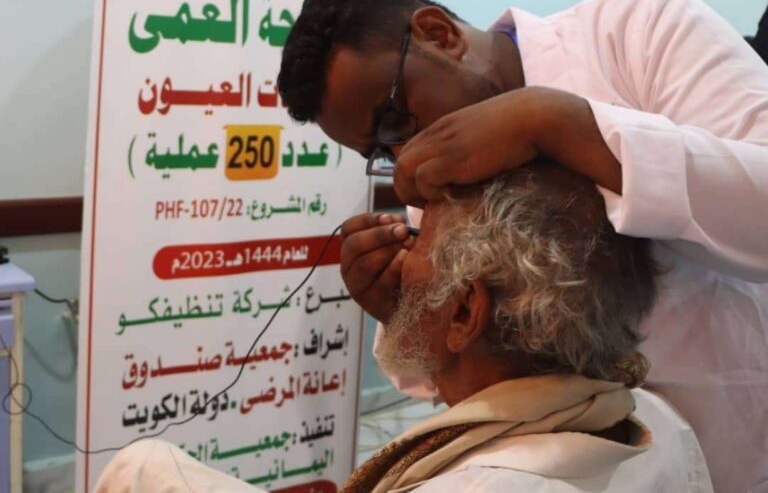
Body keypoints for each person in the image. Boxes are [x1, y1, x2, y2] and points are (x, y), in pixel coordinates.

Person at [277, 0, 768, 493]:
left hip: (740, 446)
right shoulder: (438, 169)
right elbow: (466, 375)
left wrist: (554, 124)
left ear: (439, 34)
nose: (404, 155)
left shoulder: (639, 30)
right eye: (379, 152)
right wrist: (406, 317)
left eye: (393, 119)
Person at [94, 165, 712, 492]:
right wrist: (419, 320)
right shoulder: (661, 422)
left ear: (465, 313)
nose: (399, 254)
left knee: (144, 467)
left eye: (419, 238)